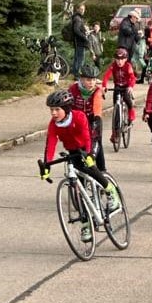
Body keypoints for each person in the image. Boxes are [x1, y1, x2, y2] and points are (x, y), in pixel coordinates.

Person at [41, 90, 121, 242]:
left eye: (57, 109)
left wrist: (90, 155)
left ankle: (110, 191)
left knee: (90, 168)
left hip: (89, 145)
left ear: (66, 108)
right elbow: (50, 144)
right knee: (79, 190)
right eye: (51, 110)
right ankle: (86, 223)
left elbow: (86, 136)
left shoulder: (78, 116)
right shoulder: (54, 125)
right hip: (73, 151)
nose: (53, 113)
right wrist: (46, 164)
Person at [69, 65, 106, 171]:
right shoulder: (73, 89)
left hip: (93, 119)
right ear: (81, 79)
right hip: (78, 122)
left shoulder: (97, 91)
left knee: (97, 142)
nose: (92, 83)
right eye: (88, 80)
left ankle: (102, 171)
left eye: (94, 79)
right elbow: (68, 106)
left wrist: (96, 122)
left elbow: (97, 108)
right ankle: (79, 172)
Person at [102, 47, 137, 144]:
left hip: (126, 87)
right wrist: (104, 86)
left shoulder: (128, 66)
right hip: (117, 87)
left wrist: (130, 86)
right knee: (116, 111)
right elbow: (106, 76)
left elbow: (132, 77)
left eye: (122, 59)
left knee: (128, 101)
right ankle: (115, 134)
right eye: (118, 59)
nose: (119, 62)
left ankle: (131, 115)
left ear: (125, 59)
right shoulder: (113, 66)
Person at [71, 3, 88, 77]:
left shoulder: (77, 18)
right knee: (80, 59)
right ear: (77, 9)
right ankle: (78, 75)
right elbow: (76, 30)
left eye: (83, 9)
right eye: (81, 9)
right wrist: (84, 36)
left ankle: (75, 73)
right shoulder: (77, 18)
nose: (82, 11)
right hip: (79, 41)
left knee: (77, 58)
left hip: (78, 41)